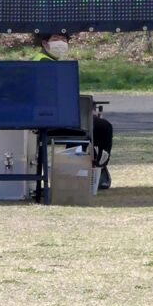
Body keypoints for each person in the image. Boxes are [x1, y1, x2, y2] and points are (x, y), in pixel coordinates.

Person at [34, 33, 113, 189]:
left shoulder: (46, 61)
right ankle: (98, 169)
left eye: (64, 40)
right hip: (51, 119)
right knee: (103, 127)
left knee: (81, 125)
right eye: (56, 39)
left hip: (51, 117)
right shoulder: (45, 63)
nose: (61, 43)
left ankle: (81, 170)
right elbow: (57, 94)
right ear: (44, 43)